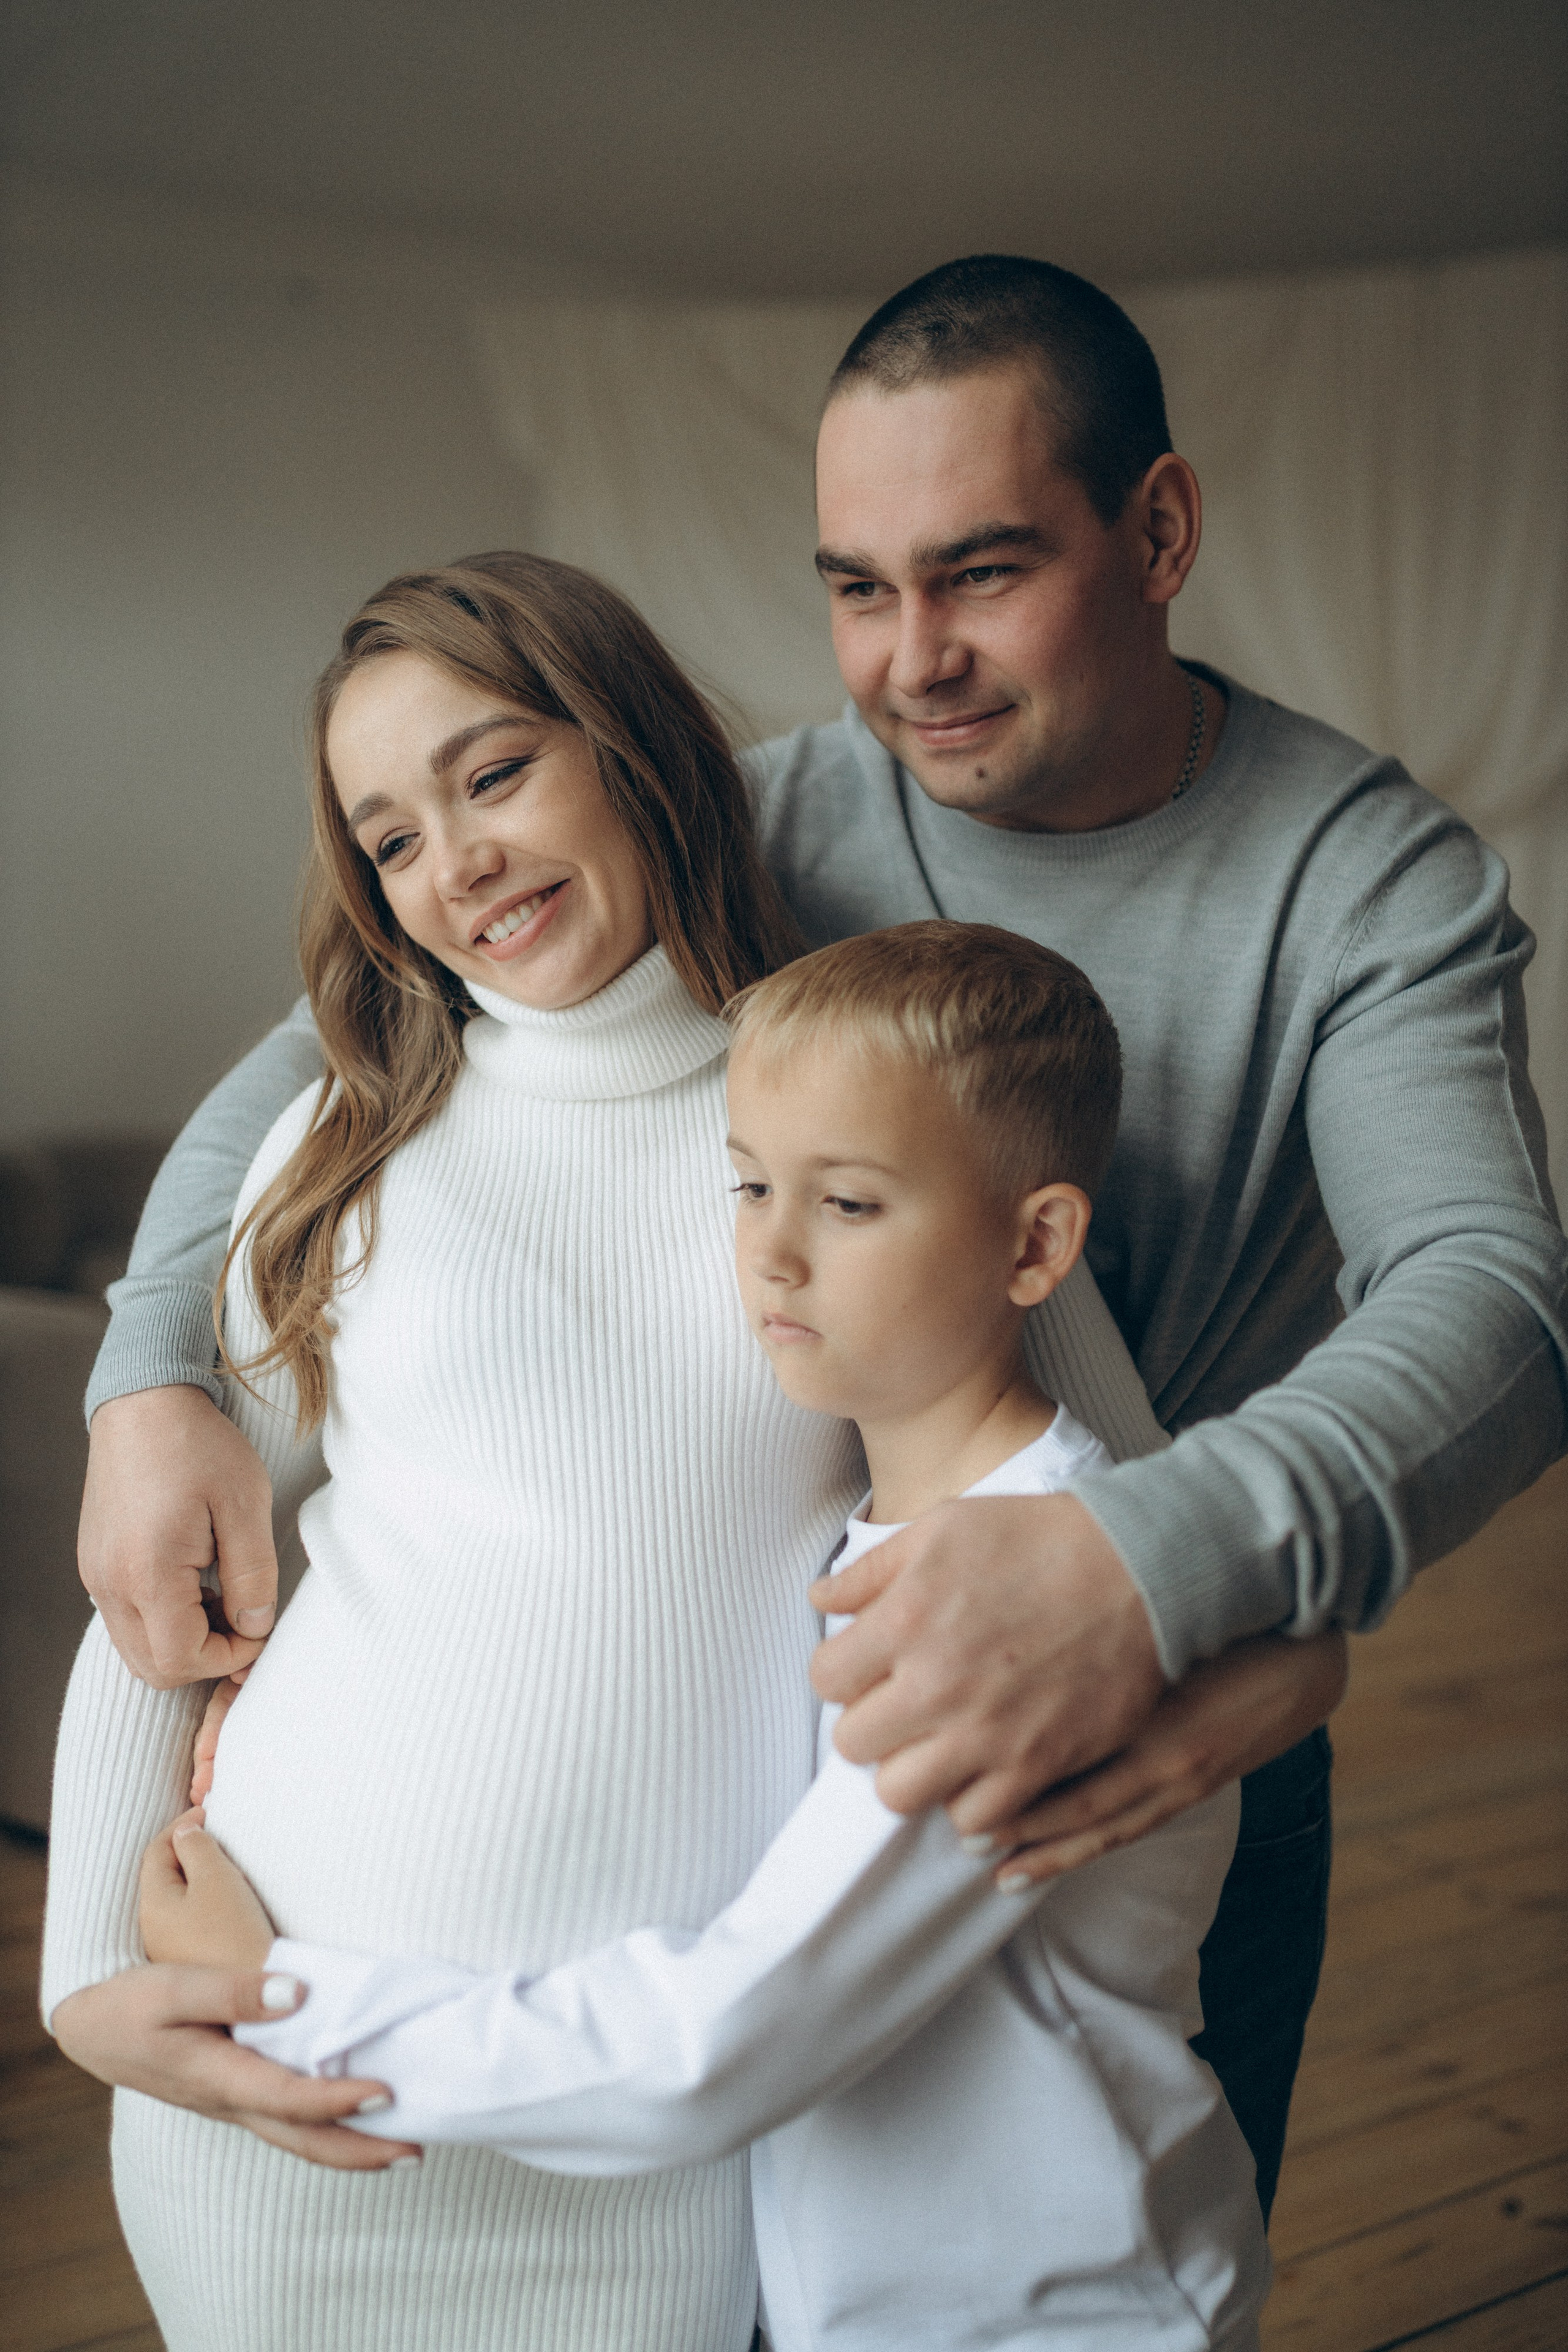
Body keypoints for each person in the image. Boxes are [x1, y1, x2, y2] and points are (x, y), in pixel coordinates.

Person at [72, 258, 1568, 2215]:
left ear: (1163, 529)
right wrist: (152, 1365)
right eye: (857, 588)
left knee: (1119, 2247)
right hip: (810, 1748)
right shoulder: (771, 814)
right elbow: (327, 1040)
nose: (911, 658)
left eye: (984, 571)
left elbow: (1492, 1304)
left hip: (1180, 1696)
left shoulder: (1372, 884)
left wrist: (1179, 1579)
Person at [47, 552, 1245, 2351]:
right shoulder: (334, 1144)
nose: (451, 863)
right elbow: (162, 1592)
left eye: (496, 773)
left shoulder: (867, 1118)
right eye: (387, 838)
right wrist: (83, 1985)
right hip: (259, 2098)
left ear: (635, 747)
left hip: (666, 2134)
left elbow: (1119, 1543)